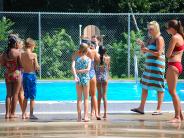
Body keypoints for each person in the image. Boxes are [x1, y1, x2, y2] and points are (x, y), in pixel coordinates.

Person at [131, 21, 165, 115]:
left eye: (151, 29)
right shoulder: (150, 39)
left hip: (157, 66)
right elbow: (144, 52)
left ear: (156, 29)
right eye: (148, 29)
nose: (149, 31)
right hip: (149, 67)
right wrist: (142, 46)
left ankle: (159, 109)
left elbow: (158, 53)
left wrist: (147, 50)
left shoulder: (159, 38)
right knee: (144, 85)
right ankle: (141, 108)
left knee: (159, 86)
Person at [166, 20, 184, 123]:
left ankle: (177, 117)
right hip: (178, 65)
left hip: (173, 65)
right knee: (173, 91)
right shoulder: (181, 37)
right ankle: (180, 115)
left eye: (168, 28)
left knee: (172, 92)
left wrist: (171, 54)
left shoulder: (174, 37)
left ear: (172, 28)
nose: (167, 30)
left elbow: (168, 54)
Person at [2, 35, 22, 119]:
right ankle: (12, 113)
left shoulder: (4, 53)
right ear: (14, 43)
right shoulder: (17, 52)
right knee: (15, 94)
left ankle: (7, 114)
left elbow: (3, 64)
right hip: (16, 74)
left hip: (8, 75)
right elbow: (20, 65)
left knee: (8, 95)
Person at [21, 38, 40, 119]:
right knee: (32, 97)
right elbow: (37, 67)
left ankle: (23, 114)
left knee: (25, 96)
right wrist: (37, 64)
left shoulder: (21, 54)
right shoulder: (33, 55)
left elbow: (21, 65)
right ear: (32, 46)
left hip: (24, 75)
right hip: (31, 76)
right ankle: (31, 114)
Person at [72, 43, 91, 122]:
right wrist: (81, 71)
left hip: (78, 79)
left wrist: (76, 74)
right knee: (86, 98)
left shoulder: (76, 58)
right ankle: (86, 116)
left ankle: (79, 117)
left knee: (79, 99)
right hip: (86, 78)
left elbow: (72, 67)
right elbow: (88, 69)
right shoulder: (88, 59)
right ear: (87, 50)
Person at [95, 46, 110, 118]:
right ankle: (105, 113)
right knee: (104, 96)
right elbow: (108, 68)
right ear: (105, 51)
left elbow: (95, 67)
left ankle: (98, 113)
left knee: (99, 96)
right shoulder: (108, 58)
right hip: (105, 77)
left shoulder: (97, 58)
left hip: (98, 77)